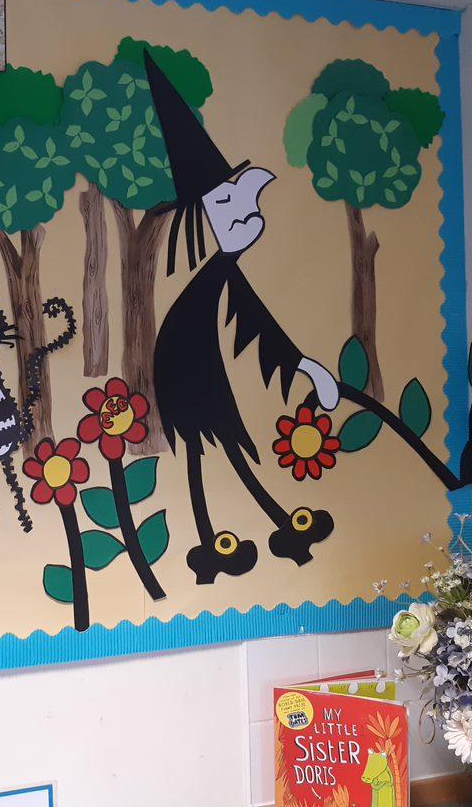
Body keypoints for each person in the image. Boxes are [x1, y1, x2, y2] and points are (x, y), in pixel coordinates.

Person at [147, 50, 338, 584]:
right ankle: (221, 544)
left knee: (224, 442)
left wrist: (307, 368)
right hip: (185, 367)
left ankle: (254, 534)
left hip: (197, 361)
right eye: (227, 203)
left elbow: (255, 325)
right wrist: (306, 368)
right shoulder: (207, 275)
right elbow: (256, 326)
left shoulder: (220, 272)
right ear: (203, 216)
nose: (248, 212)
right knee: (211, 444)